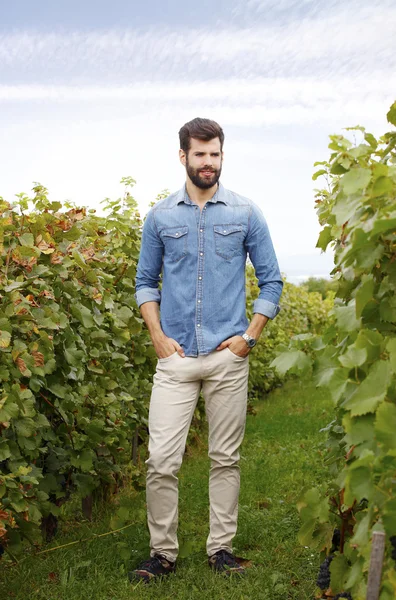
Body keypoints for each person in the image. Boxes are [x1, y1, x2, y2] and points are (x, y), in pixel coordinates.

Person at [131, 117, 283, 582]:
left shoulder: (245, 212)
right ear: (183, 157)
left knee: (225, 458)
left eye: (214, 153)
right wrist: (158, 338)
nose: (208, 162)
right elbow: (144, 283)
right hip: (175, 359)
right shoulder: (160, 216)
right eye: (199, 154)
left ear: (222, 155)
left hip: (226, 358)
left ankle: (221, 549)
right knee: (160, 461)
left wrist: (248, 338)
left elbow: (272, 280)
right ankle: (163, 554)